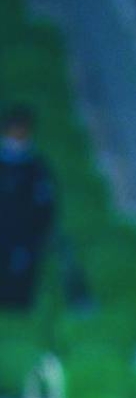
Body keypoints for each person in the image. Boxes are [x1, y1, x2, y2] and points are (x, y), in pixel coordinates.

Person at [0, 106, 55, 310]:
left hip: (23, 244)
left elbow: (45, 208)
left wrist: (36, 240)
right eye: (13, 131)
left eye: (21, 132)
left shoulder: (36, 168)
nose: (17, 137)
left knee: (18, 294)